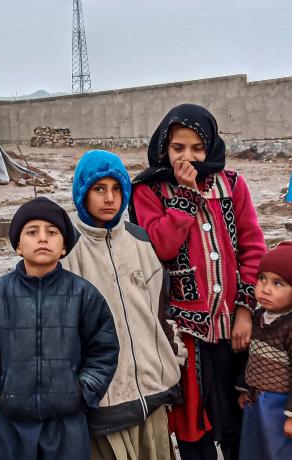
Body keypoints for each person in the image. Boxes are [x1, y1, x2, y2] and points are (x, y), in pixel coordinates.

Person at [130, 104, 266, 460]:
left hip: (235, 330)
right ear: (164, 147)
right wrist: (187, 198)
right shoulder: (149, 190)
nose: (187, 157)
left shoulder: (232, 184)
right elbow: (160, 245)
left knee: (241, 415)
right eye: (178, 148)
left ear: (211, 147)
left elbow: (253, 248)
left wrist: (246, 311)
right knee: (193, 426)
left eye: (196, 148)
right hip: (182, 336)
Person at [0, 197, 120, 460]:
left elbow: (103, 350)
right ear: (18, 246)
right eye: (32, 232)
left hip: (67, 424)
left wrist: (81, 392)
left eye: (52, 232)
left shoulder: (84, 296)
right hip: (12, 423)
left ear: (64, 247)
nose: (42, 239)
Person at [62, 149, 187, 460]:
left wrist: (173, 361)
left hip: (151, 391)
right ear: (82, 191)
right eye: (99, 189)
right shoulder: (68, 249)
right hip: (103, 400)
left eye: (117, 189)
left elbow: (160, 311)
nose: (110, 198)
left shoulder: (140, 240)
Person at [238, 242, 292, 460]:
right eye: (262, 279)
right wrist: (243, 386)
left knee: (278, 451)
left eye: (278, 283)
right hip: (255, 401)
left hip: (280, 406)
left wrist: (291, 416)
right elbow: (250, 356)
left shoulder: (289, 327)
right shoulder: (257, 317)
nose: (266, 288)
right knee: (254, 447)